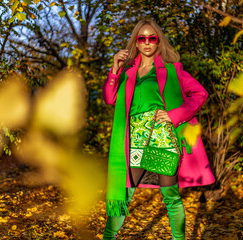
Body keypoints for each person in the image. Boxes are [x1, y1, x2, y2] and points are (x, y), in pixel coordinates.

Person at [102, 18, 215, 239]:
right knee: (122, 195)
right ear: (135, 42)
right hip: (134, 138)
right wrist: (115, 69)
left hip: (162, 137)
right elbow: (110, 98)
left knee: (171, 197)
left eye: (151, 38)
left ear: (158, 42)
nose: (146, 42)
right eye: (141, 38)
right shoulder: (126, 72)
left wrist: (174, 115)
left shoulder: (173, 70)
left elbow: (201, 94)